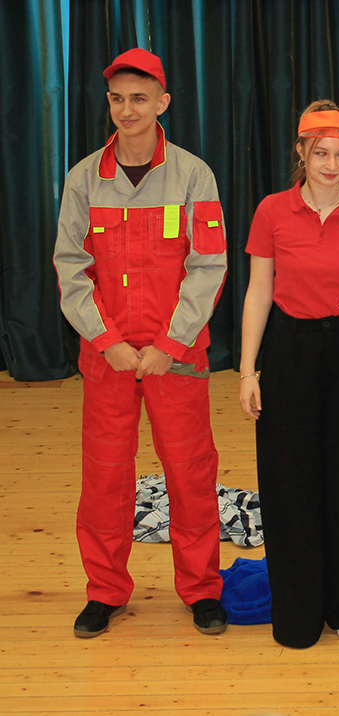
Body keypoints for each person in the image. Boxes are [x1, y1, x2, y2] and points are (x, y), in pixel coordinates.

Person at [53, 48, 229, 637]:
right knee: (105, 477)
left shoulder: (193, 175)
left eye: (139, 98)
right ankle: (105, 591)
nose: (127, 110)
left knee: (190, 472)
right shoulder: (84, 178)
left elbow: (208, 265)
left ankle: (202, 589)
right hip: (107, 357)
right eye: (117, 99)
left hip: (175, 356)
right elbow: (70, 267)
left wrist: (169, 344)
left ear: (162, 103)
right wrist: (107, 341)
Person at [238, 101, 339, 649]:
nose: (332, 165)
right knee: (289, 481)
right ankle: (298, 609)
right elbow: (259, 292)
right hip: (290, 351)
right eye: (321, 154)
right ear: (301, 153)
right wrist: (247, 371)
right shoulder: (272, 211)